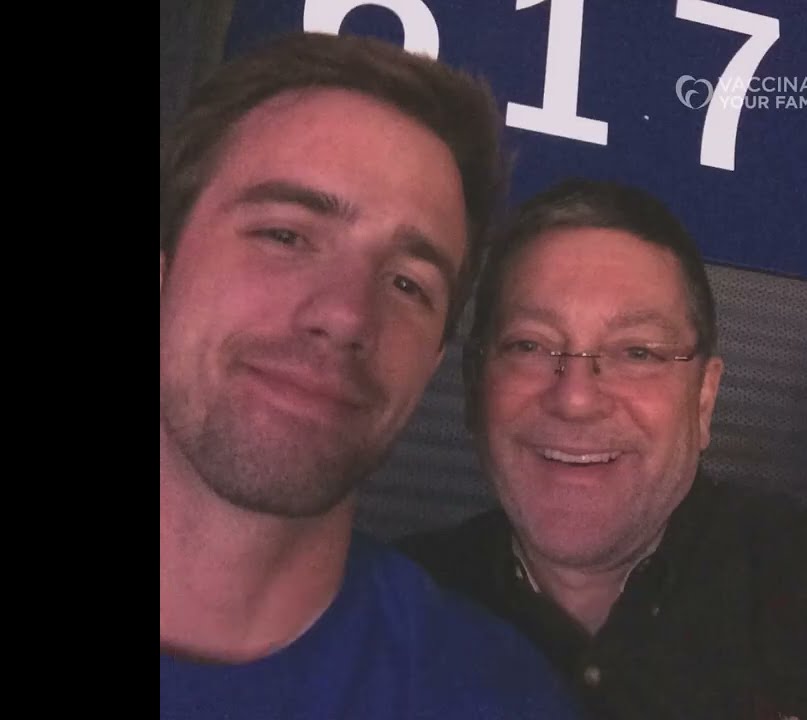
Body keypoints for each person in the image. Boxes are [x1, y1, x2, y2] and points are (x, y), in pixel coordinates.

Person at [159, 31, 583, 719]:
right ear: (165, 271)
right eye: (285, 235)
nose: (347, 315)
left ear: (434, 363)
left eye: (408, 284)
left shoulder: (500, 700)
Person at [398, 179, 807, 720]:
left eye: (638, 352)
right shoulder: (385, 614)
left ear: (703, 400)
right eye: (529, 345)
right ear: (474, 388)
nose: (576, 398)